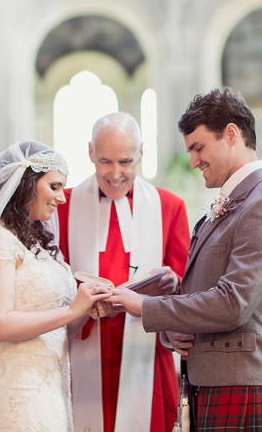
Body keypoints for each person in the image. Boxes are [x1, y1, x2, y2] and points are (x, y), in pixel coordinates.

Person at [110, 88, 262, 432]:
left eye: (198, 148)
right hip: (215, 384)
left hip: (248, 388)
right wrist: (176, 305)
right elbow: (214, 295)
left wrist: (146, 306)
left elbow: (233, 303)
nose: (193, 161)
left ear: (231, 134)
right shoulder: (227, 208)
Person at [0, 141, 114, 432]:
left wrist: (85, 310)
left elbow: (56, 329)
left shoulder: (40, 244)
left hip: (51, 389)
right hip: (19, 392)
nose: (61, 198)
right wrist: (71, 311)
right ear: (26, 184)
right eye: (54, 187)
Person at [53, 113, 189, 432]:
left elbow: (190, 296)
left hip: (147, 361)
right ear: (90, 153)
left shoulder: (170, 207)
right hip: (80, 356)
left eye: (126, 161)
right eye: (105, 161)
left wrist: (174, 284)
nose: (116, 174)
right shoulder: (61, 207)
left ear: (141, 153)